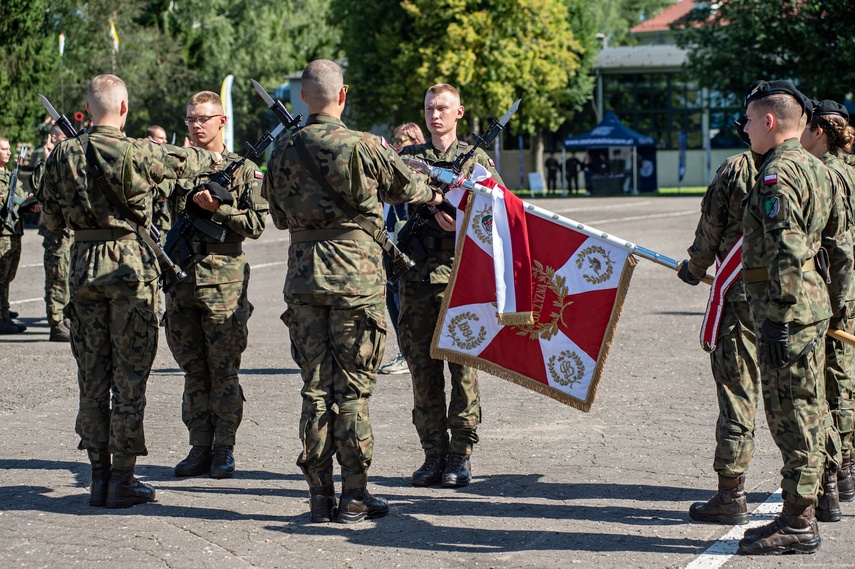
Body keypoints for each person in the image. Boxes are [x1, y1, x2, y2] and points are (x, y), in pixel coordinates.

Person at [261, 59, 442, 524]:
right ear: (343, 95)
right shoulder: (365, 147)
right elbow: (408, 188)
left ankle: (319, 497)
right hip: (356, 282)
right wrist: (436, 192)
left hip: (303, 282)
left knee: (315, 390)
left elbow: (279, 217)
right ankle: (355, 495)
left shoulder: (281, 150)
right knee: (355, 392)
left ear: (303, 97)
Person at [40, 74, 223, 509]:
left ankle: (98, 478)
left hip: (82, 269)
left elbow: (50, 222)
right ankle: (122, 479)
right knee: (129, 379)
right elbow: (195, 163)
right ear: (123, 109)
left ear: (88, 107)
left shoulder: (62, 154)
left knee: (91, 378)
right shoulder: (141, 152)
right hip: (130, 269)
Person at [736, 80, 835, 555]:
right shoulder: (817, 168)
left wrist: (777, 315)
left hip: (788, 315)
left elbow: (789, 250)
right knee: (808, 411)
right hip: (810, 308)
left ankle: (798, 523)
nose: (747, 128)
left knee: (792, 416)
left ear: (770, 121)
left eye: (751, 120)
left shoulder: (778, 174)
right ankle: (798, 512)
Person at [398, 83, 504, 489]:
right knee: (422, 371)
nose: (435, 115)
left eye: (443, 108)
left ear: (459, 113)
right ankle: (432, 453)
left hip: (463, 279)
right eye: (429, 108)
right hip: (417, 278)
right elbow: (392, 193)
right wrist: (429, 202)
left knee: (463, 368)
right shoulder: (410, 159)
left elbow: (498, 212)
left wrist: (461, 217)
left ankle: (460, 454)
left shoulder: (475, 160)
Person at [166, 91, 267, 479]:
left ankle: (224, 447)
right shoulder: (178, 167)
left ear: (221, 121)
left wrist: (217, 209)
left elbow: (257, 226)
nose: (196, 125)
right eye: (191, 118)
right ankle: (198, 445)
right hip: (182, 275)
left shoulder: (244, 170)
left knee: (223, 369)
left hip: (224, 280)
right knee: (193, 369)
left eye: (204, 118)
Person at [677, 116, 760, 526]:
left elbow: (710, 232)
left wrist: (693, 269)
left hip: (740, 297)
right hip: (801, 301)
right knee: (804, 396)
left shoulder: (736, 168)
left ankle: (732, 494)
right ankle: (823, 491)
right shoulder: (817, 168)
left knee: (737, 393)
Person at [799, 99, 855, 511]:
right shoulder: (850, 170)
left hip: (837, 291)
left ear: (819, 131)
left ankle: (832, 480)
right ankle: (847, 472)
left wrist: (834, 302)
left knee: (828, 386)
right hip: (850, 290)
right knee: (845, 381)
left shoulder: (825, 175)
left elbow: (837, 247)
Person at [379, 122, 428, 376]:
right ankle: (403, 351)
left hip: (409, 249)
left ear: (415, 142)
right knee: (391, 299)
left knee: (403, 301)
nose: (396, 145)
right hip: (388, 245)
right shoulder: (389, 171)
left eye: (402, 141)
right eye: (394, 141)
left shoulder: (417, 171)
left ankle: (407, 354)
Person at [30, 124, 72, 341]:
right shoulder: (46, 164)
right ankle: (55, 324)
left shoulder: (67, 161)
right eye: (61, 137)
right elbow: (39, 188)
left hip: (69, 233)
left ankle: (65, 319)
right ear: (52, 139)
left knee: (67, 278)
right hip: (55, 234)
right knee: (56, 278)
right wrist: (47, 159)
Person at [0, 137, 28, 334]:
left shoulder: (11, 175)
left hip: (14, 232)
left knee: (7, 277)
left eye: (9, 149)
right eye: (4, 149)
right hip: (1, 235)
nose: (8, 153)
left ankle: (4, 313)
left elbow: (20, 201)